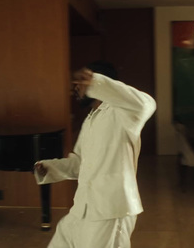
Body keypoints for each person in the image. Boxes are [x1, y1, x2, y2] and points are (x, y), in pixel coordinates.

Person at [34, 60, 156, 248]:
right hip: (83, 207)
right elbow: (80, 164)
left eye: (80, 85)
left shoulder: (125, 113)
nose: (75, 90)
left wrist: (95, 82)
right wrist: (49, 168)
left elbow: (147, 103)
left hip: (111, 209)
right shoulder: (90, 120)